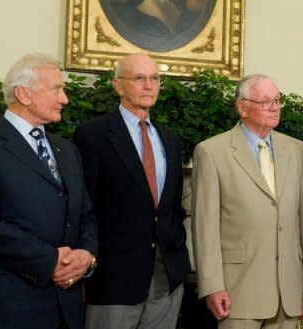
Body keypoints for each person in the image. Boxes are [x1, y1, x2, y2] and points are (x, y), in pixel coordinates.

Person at [0, 53, 98, 329]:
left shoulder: (67, 150)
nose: (65, 98)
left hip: (66, 307)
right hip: (7, 306)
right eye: (56, 88)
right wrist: (51, 260)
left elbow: (86, 215)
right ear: (24, 94)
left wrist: (87, 255)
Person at [191, 74, 303, 329]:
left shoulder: (297, 150)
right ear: (242, 108)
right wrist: (211, 285)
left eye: (276, 100)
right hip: (237, 289)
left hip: (289, 290)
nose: (274, 107)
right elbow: (205, 228)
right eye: (265, 102)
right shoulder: (211, 151)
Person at [73, 53, 190, 329]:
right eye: (139, 78)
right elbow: (83, 208)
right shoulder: (92, 136)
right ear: (118, 85)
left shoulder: (170, 140)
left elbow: (172, 208)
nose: (149, 86)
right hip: (114, 280)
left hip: (167, 278)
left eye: (155, 78)